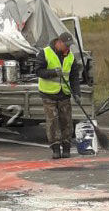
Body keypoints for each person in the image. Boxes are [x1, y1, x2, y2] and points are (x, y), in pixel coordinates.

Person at [33, 31, 81, 159]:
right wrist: (53, 72)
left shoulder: (70, 57)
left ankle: (66, 147)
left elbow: (74, 77)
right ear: (59, 42)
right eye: (66, 45)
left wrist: (77, 93)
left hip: (64, 94)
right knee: (52, 122)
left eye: (70, 46)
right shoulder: (45, 53)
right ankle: (55, 148)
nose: (68, 48)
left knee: (67, 122)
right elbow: (38, 71)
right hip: (48, 94)